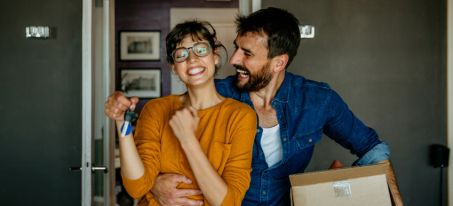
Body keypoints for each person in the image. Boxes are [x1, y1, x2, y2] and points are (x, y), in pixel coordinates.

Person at [106, 7, 401, 206]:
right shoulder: (215, 96)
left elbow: (372, 148)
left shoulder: (317, 100)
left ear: (278, 62)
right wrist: (153, 184)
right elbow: (160, 151)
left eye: (246, 53)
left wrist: (394, 201)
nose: (234, 60)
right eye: (235, 48)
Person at [105, 20, 257, 206]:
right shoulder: (156, 110)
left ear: (215, 56)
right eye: (181, 54)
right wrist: (122, 122)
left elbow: (228, 202)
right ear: (173, 67)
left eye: (200, 50)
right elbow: (136, 187)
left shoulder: (241, 116)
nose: (192, 59)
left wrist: (187, 139)